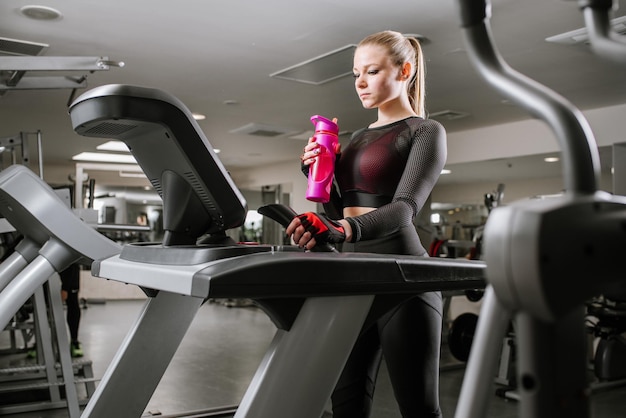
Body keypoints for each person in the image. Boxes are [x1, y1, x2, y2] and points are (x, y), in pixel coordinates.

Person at [286, 30, 447, 417]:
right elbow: (343, 207)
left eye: (371, 71)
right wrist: (315, 170)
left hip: (402, 278)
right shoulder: (354, 139)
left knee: (419, 408)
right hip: (351, 273)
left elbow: (403, 207)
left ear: (404, 70)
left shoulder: (424, 131)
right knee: (345, 404)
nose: (360, 82)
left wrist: (342, 230)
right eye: (355, 73)